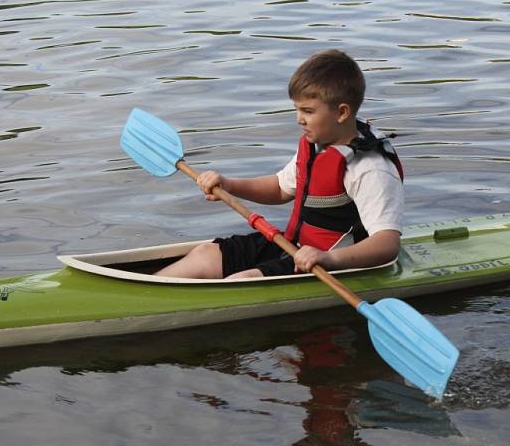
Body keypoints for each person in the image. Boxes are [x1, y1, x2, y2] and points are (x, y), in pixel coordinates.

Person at [156, 49, 404, 279]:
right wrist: (230, 185)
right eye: (297, 109)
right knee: (205, 255)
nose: (299, 119)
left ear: (341, 113)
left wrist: (329, 258)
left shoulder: (369, 168)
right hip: (293, 246)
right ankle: (151, 289)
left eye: (308, 111)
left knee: (242, 280)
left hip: (328, 263)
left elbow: (387, 244)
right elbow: (279, 188)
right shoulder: (319, 144)